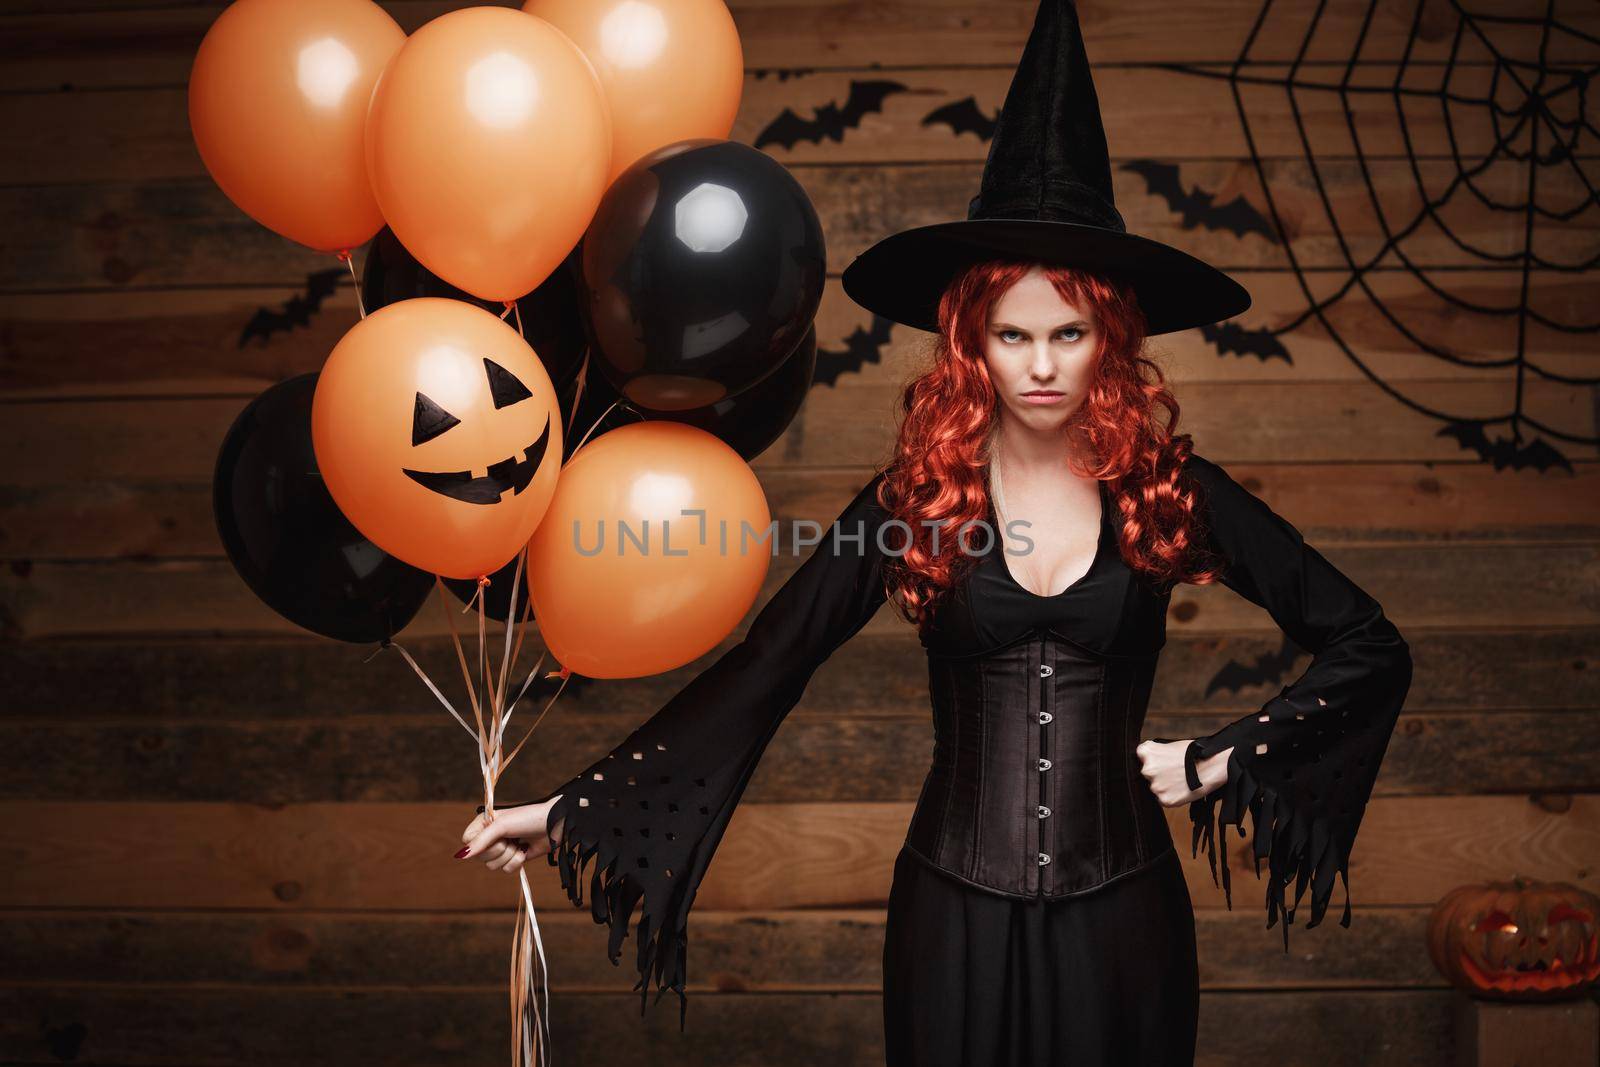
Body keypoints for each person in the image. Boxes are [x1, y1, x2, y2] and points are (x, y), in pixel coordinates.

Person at [454, 2, 1414, 1064]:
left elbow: (1368, 642)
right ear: (972, 344)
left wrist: (1220, 757)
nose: (1041, 364)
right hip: (950, 916)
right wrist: (573, 808)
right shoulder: (915, 500)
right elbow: (771, 662)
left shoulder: (1172, 489)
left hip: (1124, 919)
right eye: (1013, 334)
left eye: (1068, 333)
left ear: (1108, 339)